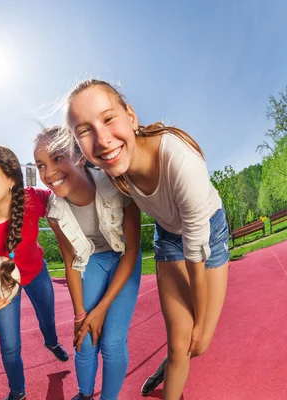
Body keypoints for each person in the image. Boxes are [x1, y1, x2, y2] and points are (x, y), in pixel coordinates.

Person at [57, 79, 229, 399]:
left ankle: (173, 360)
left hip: (207, 236)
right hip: (168, 237)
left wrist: (200, 321)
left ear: (131, 116)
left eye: (108, 119)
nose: (103, 139)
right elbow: (63, 181)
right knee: (180, 346)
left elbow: (195, 250)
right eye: (84, 131)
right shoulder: (110, 169)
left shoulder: (179, 160)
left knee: (199, 341)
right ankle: (175, 360)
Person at [34, 126, 142, 400]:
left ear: (80, 157)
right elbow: (71, 261)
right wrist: (81, 315)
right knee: (84, 337)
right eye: (41, 165)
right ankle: (84, 394)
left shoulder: (118, 183)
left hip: (123, 258)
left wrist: (101, 309)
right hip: (92, 260)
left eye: (58, 158)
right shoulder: (54, 213)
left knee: (112, 342)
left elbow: (131, 251)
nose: (48, 173)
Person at [0, 144, 69, 400]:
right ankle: (17, 391)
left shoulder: (33, 199)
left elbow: (65, 199)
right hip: (2, 287)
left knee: (48, 321)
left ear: (10, 179)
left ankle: (51, 342)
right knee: (9, 347)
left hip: (37, 273)